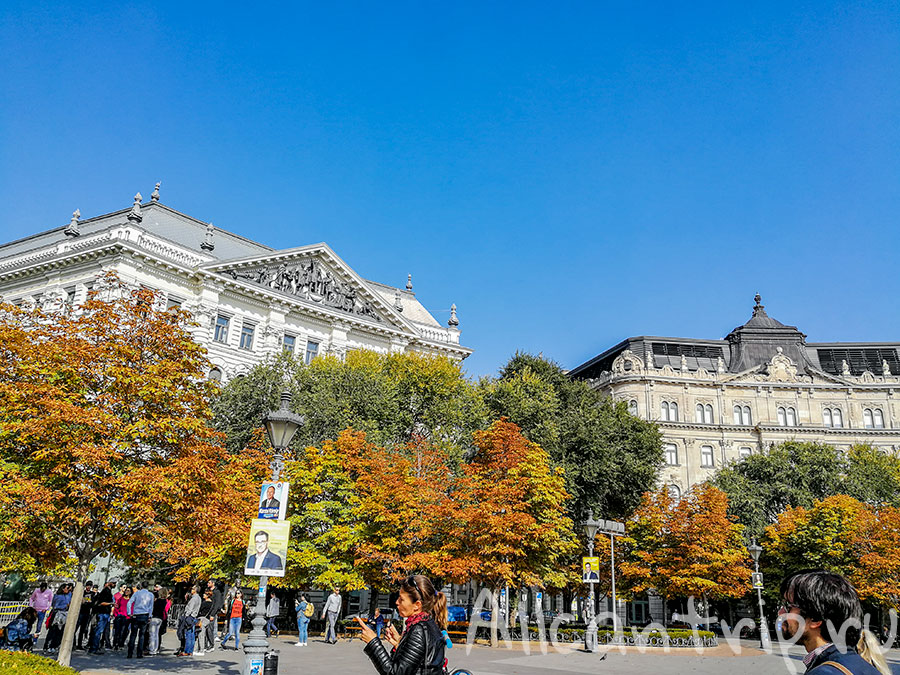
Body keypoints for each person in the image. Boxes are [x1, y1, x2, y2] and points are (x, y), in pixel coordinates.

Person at [778, 569, 888, 675]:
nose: (781, 613)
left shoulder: (825, 672)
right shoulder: (861, 664)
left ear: (814, 619)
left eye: (788, 607)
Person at [356, 574, 447, 675]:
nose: (396, 602)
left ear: (417, 605)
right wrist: (400, 644)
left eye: (401, 599)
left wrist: (373, 642)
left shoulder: (419, 629)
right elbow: (418, 662)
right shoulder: (428, 623)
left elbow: (395, 673)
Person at [127, 581, 154, 659]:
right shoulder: (150, 595)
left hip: (136, 615)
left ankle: (130, 653)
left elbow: (129, 603)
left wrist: (129, 613)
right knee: (142, 635)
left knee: (133, 634)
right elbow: (150, 606)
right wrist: (150, 616)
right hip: (144, 615)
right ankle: (139, 653)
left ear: (141, 586)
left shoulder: (137, 593)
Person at [43, 582, 72, 653]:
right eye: (67, 588)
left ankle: (55, 646)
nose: (68, 589)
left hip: (64, 614)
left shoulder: (69, 595)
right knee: (53, 631)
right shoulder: (57, 596)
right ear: (62, 589)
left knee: (60, 632)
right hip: (57, 614)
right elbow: (55, 605)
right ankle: (47, 646)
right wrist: (64, 606)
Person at [89, 580, 116, 654]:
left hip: (105, 613)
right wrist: (111, 603)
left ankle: (95, 647)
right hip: (102, 613)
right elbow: (101, 603)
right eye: (113, 583)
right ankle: (94, 648)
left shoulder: (108, 591)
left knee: (100, 631)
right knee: (98, 631)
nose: (114, 584)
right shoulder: (105, 591)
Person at [74, 580, 95, 650]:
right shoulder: (82, 593)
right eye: (87, 585)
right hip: (80, 612)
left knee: (83, 630)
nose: (88, 587)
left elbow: (92, 603)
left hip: (87, 613)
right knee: (75, 628)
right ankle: (73, 644)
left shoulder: (92, 594)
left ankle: (79, 644)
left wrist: (89, 601)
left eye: (90, 586)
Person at [181, 585, 201, 656]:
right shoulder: (199, 598)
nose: (191, 590)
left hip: (190, 616)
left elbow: (190, 609)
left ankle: (187, 650)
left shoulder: (194, 599)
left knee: (188, 634)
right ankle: (190, 650)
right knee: (192, 635)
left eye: (192, 589)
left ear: (195, 590)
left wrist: (186, 616)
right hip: (194, 616)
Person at [205, 580, 224, 652]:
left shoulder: (217, 592)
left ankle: (211, 645)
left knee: (210, 629)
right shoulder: (208, 590)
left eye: (209, 583)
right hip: (206, 612)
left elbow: (217, 604)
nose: (208, 584)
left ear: (213, 583)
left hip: (212, 612)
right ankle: (205, 645)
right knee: (206, 629)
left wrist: (213, 614)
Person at [148, 588, 168, 655]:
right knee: (156, 634)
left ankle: (152, 649)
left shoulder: (158, 601)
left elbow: (153, 609)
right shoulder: (165, 601)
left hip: (155, 617)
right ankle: (156, 649)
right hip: (160, 618)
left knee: (152, 634)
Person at [113, 586, 132, 650]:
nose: (126, 591)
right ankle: (115, 644)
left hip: (126, 617)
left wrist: (130, 616)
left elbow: (132, 609)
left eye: (128, 590)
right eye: (126, 590)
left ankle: (121, 644)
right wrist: (116, 614)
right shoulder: (121, 598)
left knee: (123, 631)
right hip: (119, 616)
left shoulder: (131, 600)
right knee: (117, 631)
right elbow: (117, 606)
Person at [196, 589, 213, 656]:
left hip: (202, 618)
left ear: (207, 595)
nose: (203, 595)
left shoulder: (204, 603)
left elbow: (199, 610)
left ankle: (201, 650)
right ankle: (203, 648)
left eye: (204, 594)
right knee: (203, 634)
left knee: (201, 634)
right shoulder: (212, 604)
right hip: (208, 619)